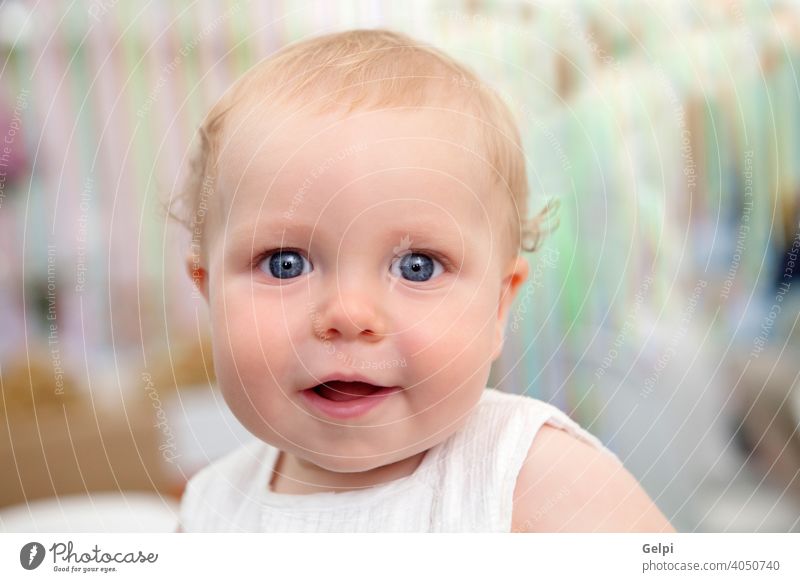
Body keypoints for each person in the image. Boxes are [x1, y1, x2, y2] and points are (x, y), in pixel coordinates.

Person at [172, 28, 673, 532]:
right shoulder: (209, 509)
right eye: (285, 263)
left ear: (498, 307)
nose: (349, 314)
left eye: (417, 267)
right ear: (208, 292)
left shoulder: (529, 476)